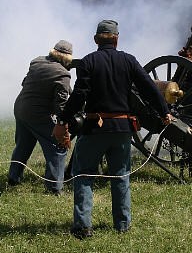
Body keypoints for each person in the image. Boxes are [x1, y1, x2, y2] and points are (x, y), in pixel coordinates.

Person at [52, 19, 172, 239]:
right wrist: (164, 111)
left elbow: (79, 95)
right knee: (121, 176)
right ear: (116, 39)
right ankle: (122, 225)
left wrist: (63, 120)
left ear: (96, 39)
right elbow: (148, 88)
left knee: (85, 175)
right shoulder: (128, 60)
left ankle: (83, 227)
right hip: (122, 129)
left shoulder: (89, 61)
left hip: (94, 128)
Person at [8, 40, 73, 195]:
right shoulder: (63, 74)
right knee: (58, 146)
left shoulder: (36, 62)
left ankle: (13, 177)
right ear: (67, 59)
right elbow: (61, 104)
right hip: (37, 113)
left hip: (21, 107)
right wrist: (63, 125)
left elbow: (26, 82)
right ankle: (54, 188)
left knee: (23, 144)